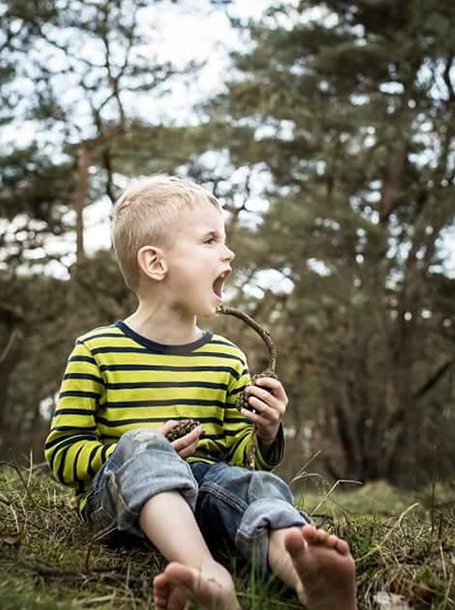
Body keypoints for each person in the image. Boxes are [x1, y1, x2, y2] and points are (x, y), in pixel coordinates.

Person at [44, 175, 356, 610]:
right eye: (209, 240)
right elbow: (63, 453)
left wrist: (265, 435)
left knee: (253, 485)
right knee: (142, 446)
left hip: (204, 498)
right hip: (118, 505)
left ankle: (302, 568)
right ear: (156, 264)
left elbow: (234, 457)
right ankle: (206, 573)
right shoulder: (97, 351)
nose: (228, 252)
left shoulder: (227, 359)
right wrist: (142, 446)